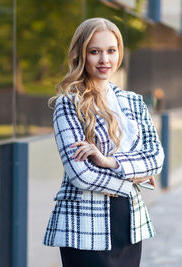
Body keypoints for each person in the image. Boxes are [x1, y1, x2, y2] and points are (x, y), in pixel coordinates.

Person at [43, 18, 164, 267]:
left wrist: (110, 161)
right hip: (85, 225)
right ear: (81, 54)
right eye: (95, 51)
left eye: (111, 50)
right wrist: (132, 179)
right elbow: (81, 175)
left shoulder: (133, 102)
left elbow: (156, 157)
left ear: (119, 52)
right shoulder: (68, 104)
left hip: (128, 223)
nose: (104, 60)